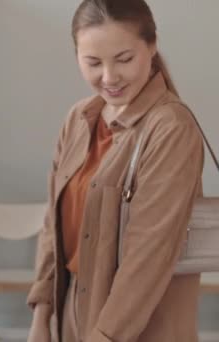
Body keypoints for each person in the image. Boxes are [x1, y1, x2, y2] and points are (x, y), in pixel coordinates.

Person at [27, 0, 204, 341]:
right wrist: (42, 316)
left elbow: (149, 255)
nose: (109, 78)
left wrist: (104, 336)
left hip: (139, 325)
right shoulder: (79, 120)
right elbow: (53, 226)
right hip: (71, 314)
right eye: (93, 62)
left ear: (151, 46)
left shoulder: (171, 127)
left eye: (124, 59)